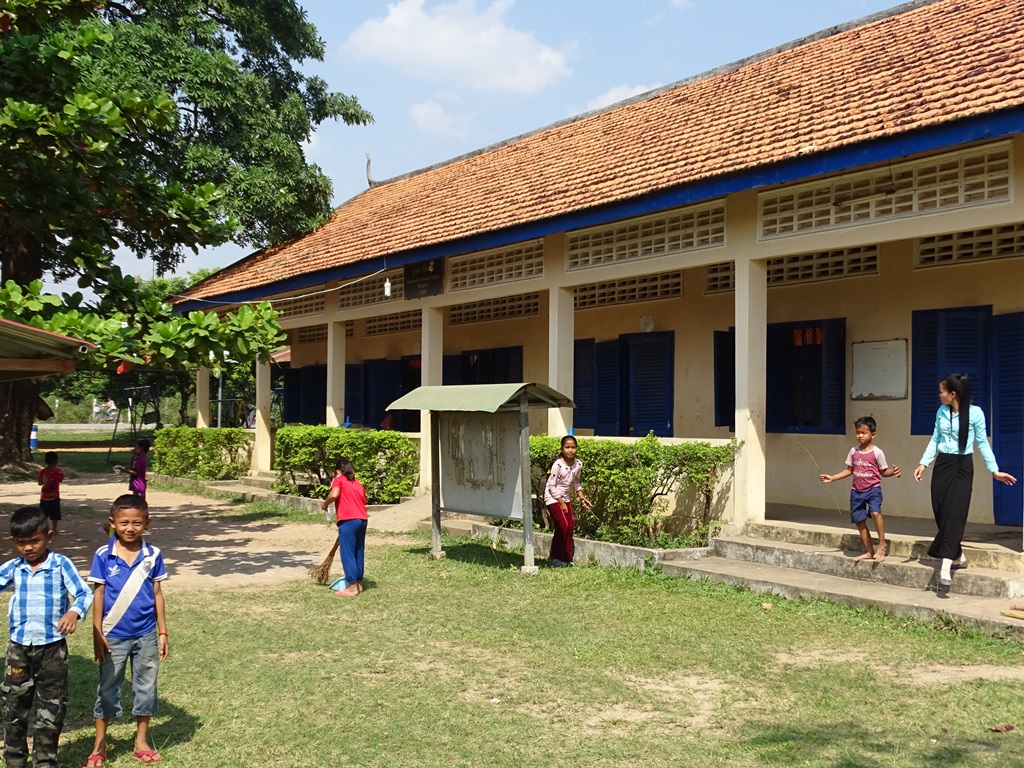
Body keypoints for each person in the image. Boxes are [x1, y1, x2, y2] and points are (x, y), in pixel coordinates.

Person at [0, 507, 93, 768]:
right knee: (14, 706)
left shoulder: (60, 564)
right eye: (21, 543)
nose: (28, 548)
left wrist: (74, 612)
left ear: (49, 536)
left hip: (52, 649)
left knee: (51, 708)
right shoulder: (15, 568)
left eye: (34, 541)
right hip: (19, 648)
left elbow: (84, 594)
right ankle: (15, 760)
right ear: (13, 541)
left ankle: (45, 762)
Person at [84, 494, 169, 768]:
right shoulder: (102, 555)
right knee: (108, 687)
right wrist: (97, 633)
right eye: (123, 523)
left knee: (146, 686)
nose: (130, 528)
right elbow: (98, 595)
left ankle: (141, 742)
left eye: (136, 523)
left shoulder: (153, 555)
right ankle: (100, 745)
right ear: (112, 523)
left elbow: (157, 594)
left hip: (145, 634)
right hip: (113, 636)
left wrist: (163, 632)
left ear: (147, 523)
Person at [913, 373, 1017, 587]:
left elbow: (983, 443)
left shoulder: (976, 413)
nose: (939, 395)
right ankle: (958, 554)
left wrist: (994, 470)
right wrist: (924, 463)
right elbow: (935, 439)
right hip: (943, 464)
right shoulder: (941, 412)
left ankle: (945, 565)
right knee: (941, 510)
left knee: (956, 512)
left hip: (963, 466)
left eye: (941, 392)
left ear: (953, 394)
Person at [820, 416, 900, 563]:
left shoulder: (877, 453)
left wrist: (893, 472)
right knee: (860, 521)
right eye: (858, 432)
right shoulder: (853, 451)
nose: (860, 436)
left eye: (864, 432)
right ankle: (869, 551)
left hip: (873, 489)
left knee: (876, 513)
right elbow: (849, 470)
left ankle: (882, 545)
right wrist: (832, 478)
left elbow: (883, 472)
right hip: (856, 491)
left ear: (873, 434)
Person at [320, 457, 368, 597]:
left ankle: (352, 587)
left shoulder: (339, 479)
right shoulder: (358, 483)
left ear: (337, 471)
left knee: (347, 552)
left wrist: (325, 504)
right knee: (358, 551)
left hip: (348, 520)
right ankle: (358, 584)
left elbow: (334, 495)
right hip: (362, 519)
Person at [543, 435, 592, 567]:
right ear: (562, 448)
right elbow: (551, 486)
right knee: (563, 526)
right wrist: (561, 502)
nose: (570, 450)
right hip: (552, 497)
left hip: (565, 497)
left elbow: (576, 482)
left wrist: (582, 497)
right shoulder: (557, 465)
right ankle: (555, 558)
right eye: (567, 447)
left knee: (570, 527)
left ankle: (566, 559)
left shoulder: (578, 464)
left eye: (573, 447)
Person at [37, 451, 65, 537]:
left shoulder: (43, 472)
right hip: (55, 496)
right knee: (55, 514)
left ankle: (43, 529)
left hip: (44, 496)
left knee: (43, 514)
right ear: (56, 461)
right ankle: (54, 529)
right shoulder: (58, 471)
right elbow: (61, 479)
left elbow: (39, 482)